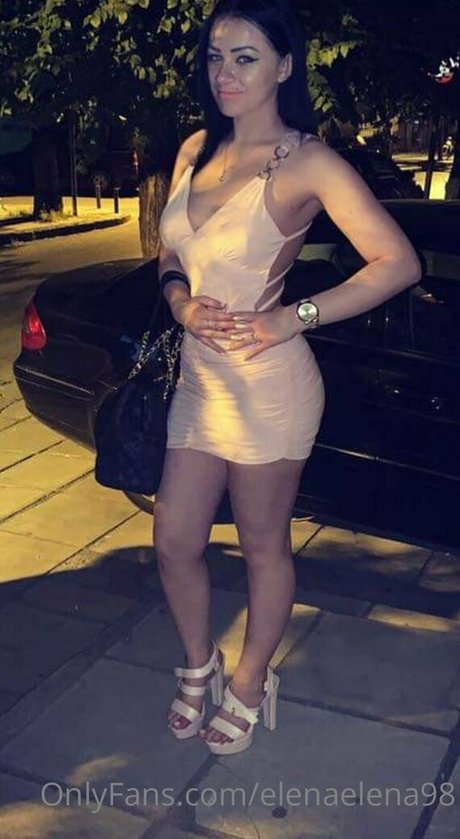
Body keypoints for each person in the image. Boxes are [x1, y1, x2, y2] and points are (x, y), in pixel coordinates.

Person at [155, 0, 421, 756]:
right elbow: (171, 252)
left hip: (269, 387)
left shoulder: (307, 162)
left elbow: (398, 262)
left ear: (285, 66)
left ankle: (249, 682)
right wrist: (179, 301)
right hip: (201, 383)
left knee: (263, 545)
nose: (225, 73)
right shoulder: (197, 148)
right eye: (216, 56)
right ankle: (199, 662)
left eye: (245, 57)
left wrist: (291, 316)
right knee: (173, 539)